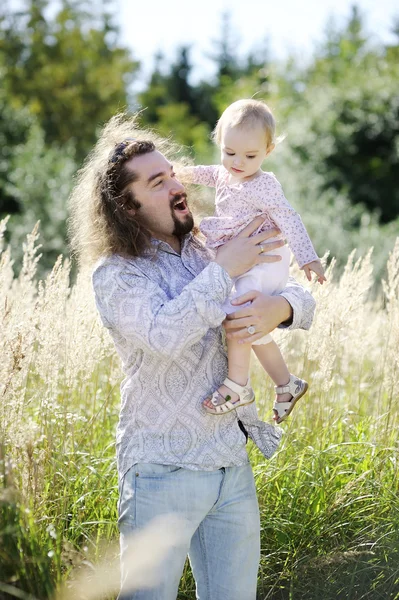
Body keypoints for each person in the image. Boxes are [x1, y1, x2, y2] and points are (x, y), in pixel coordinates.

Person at [68, 113, 316, 600]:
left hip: (230, 465)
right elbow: (163, 335)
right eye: (158, 182)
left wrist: (281, 307)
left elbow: (294, 290)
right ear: (128, 205)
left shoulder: (210, 244)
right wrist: (225, 270)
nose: (177, 186)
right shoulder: (118, 273)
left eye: (173, 174)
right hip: (163, 470)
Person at [180, 99, 325, 424]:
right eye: (230, 152)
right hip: (247, 259)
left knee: (239, 316)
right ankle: (287, 383)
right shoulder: (224, 174)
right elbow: (201, 172)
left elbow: (289, 217)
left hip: (265, 258)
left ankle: (238, 385)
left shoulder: (264, 184)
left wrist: (308, 257)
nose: (238, 162)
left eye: (250, 156)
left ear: (268, 150)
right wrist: (174, 173)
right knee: (254, 328)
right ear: (220, 142)